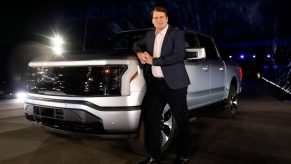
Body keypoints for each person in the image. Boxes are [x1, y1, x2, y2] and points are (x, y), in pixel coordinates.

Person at [133, 6, 192, 164]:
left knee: (181, 120)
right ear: (152, 20)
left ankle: (184, 155)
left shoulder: (176, 34)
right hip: (156, 85)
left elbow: (179, 56)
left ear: (167, 19)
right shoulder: (149, 35)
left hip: (175, 84)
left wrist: (154, 61)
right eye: (155, 18)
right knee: (151, 118)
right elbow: (136, 45)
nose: (158, 20)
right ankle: (153, 154)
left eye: (161, 17)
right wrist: (139, 53)